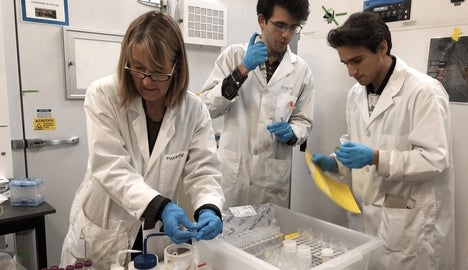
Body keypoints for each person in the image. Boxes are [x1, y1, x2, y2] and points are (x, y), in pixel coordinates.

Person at [60, 11, 224, 269]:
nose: (146, 80)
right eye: (138, 68)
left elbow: (203, 170)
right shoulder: (103, 95)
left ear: (176, 66)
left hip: (154, 236)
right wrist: (161, 207)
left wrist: (208, 207)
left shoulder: (194, 109)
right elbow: (110, 166)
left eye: (158, 72)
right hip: (105, 232)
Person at [311, 12, 455, 269]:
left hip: (411, 224)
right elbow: (356, 141)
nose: (351, 71)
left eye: (357, 60)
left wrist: (376, 157)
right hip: (369, 218)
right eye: (345, 63)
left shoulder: (423, 92)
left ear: (382, 48)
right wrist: (337, 162)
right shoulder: (356, 94)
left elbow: (435, 159)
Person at [199, 0, 313, 208]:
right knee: (226, 235)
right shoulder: (234, 56)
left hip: (272, 180)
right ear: (262, 20)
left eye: (293, 27)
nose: (286, 35)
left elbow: (304, 121)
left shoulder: (301, 70)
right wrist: (242, 69)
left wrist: (293, 132)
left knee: (268, 235)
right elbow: (206, 107)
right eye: (280, 25)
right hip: (234, 176)